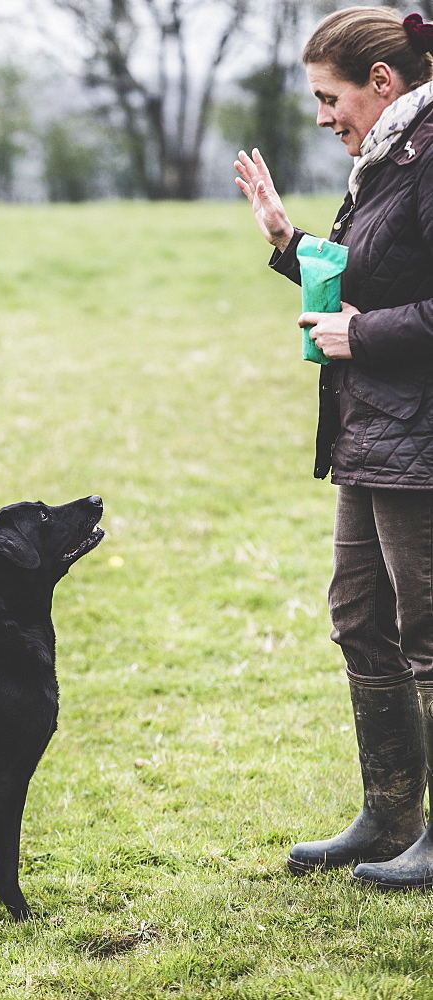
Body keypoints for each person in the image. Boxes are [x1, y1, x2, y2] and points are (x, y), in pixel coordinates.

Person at [235, 7, 433, 891]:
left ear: (381, 82)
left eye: (328, 96)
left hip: (420, 434)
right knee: (361, 619)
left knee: (428, 634)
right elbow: (370, 275)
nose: (321, 115)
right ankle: (391, 816)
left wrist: (371, 336)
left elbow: (381, 314)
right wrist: (289, 243)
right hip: (373, 429)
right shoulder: (390, 156)